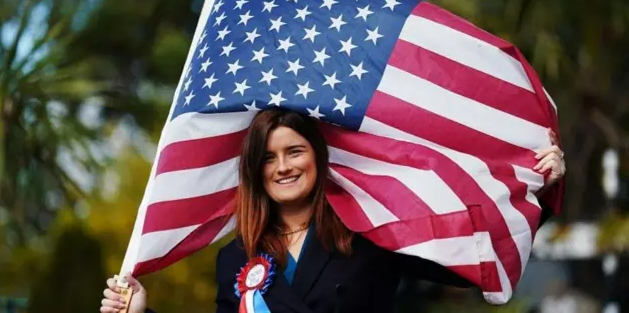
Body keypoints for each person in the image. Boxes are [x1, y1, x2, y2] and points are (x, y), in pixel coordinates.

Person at [100, 108, 566, 313]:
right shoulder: (234, 259)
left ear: (317, 159)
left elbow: (470, 257)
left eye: (294, 151)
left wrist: (537, 194)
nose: (282, 167)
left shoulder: (371, 232)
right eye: (268, 157)